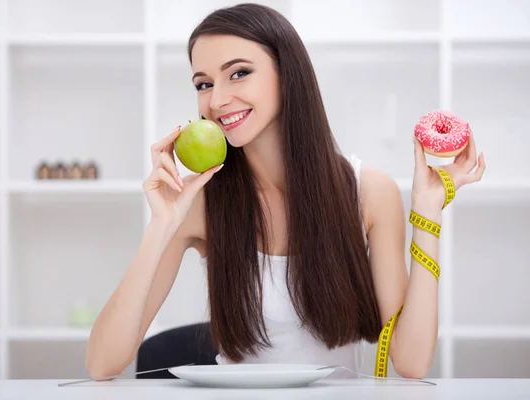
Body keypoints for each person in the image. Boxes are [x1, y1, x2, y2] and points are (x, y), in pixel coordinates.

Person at [85, 3, 486, 380]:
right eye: (203, 83)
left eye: (239, 73)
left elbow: (411, 362)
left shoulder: (368, 192)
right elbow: (102, 363)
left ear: (286, 73)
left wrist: (428, 210)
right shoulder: (198, 201)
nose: (218, 100)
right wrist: (163, 224)